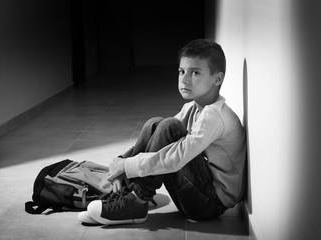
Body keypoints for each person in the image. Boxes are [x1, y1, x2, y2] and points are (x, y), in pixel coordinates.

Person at [78, 39, 247, 225]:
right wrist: (121, 162)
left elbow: (177, 156)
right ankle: (125, 196)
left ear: (218, 79)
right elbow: (158, 135)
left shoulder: (215, 116)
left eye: (195, 73)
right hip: (198, 193)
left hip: (210, 204)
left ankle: (137, 201)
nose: (184, 78)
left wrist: (127, 165)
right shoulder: (193, 107)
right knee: (156, 124)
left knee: (169, 126)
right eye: (182, 71)